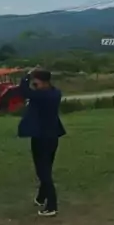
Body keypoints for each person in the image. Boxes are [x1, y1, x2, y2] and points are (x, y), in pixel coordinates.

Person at [17, 68, 66, 217]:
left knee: (43, 172)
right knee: (46, 168)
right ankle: (41, 197)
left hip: (41, 137)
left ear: (43, 82)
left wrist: (26, 76)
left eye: (36, 82)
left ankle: (52, 205)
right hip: (53, 136)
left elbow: (23, 91)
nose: (34, 85)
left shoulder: (40, 95)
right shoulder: (55, 93)